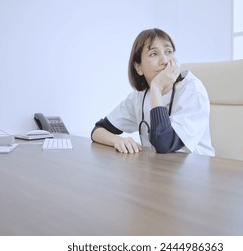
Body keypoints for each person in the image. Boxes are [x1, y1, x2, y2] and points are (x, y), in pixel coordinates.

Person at [91, 28, 215, 156]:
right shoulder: (139, 96)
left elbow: (164, 144)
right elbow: (98, 130)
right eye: (153, 54)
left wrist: (156, 88)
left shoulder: (192, 90)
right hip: (157, 170)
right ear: (138, 67)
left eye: (168, 51)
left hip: (195, 171)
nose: (165, 61)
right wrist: (117, 140)